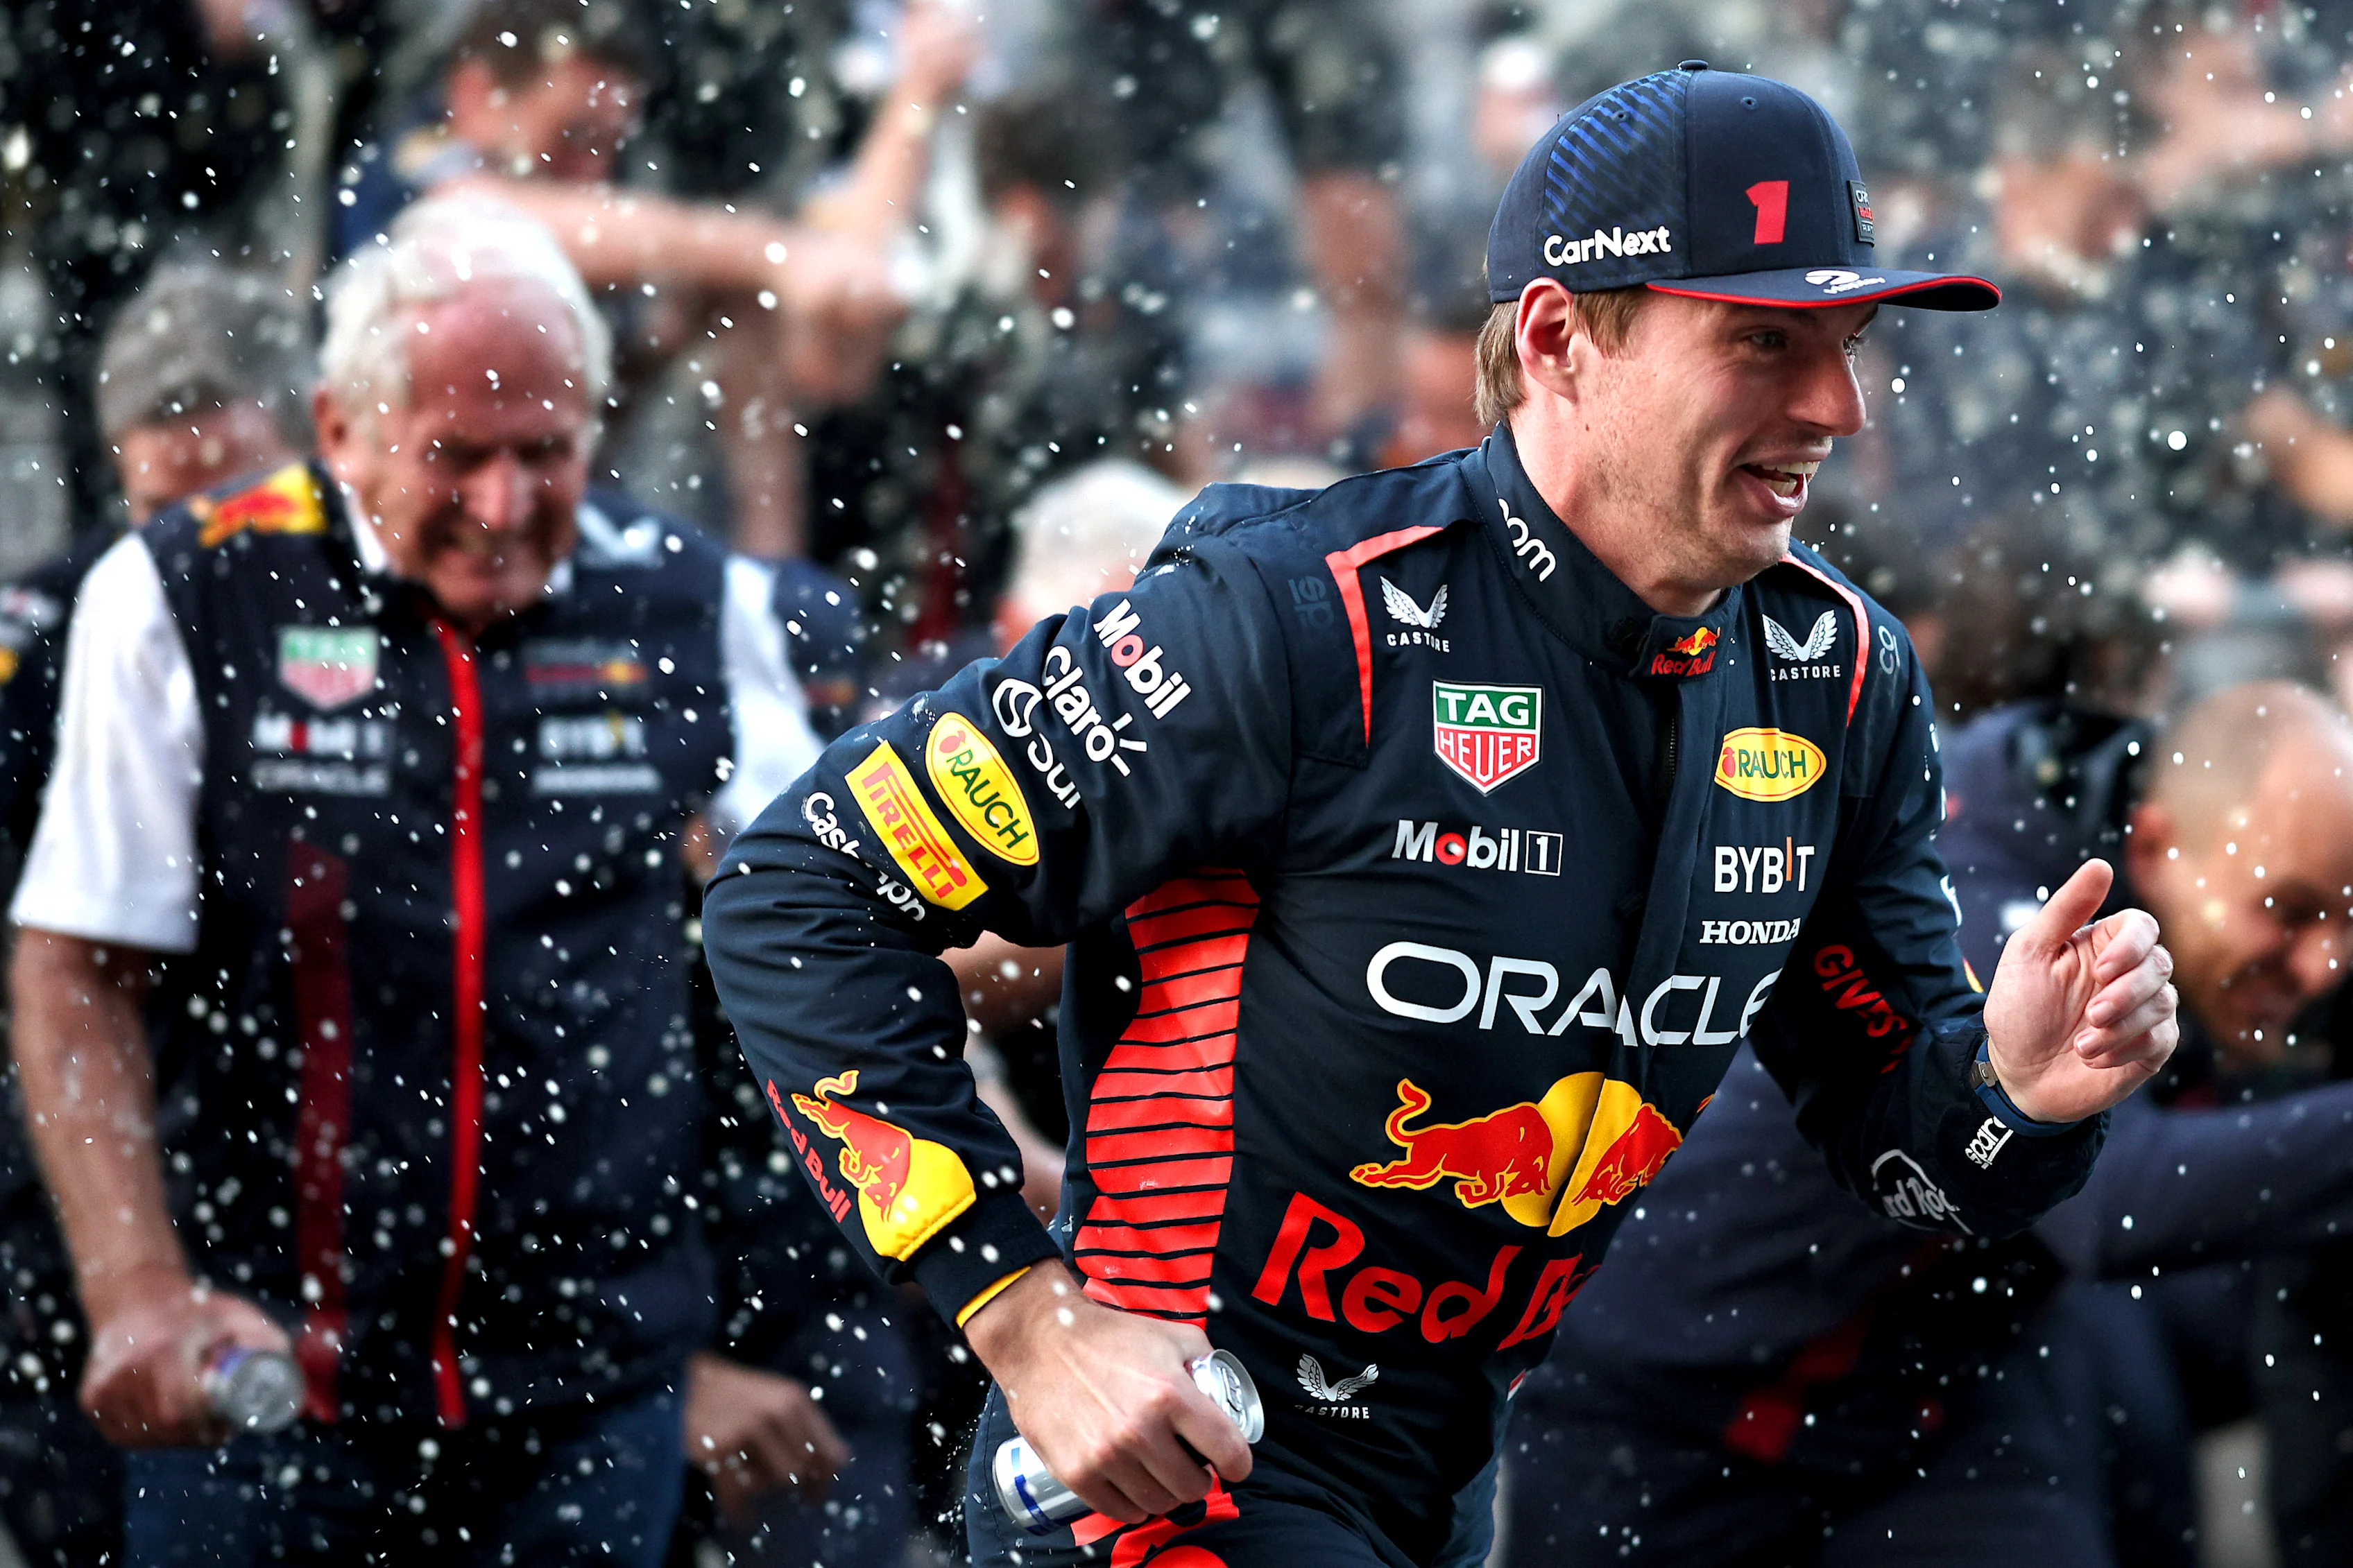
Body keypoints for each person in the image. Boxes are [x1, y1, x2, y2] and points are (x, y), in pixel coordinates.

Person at [702, 64, 2180, 1568]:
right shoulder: (1292, 618)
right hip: (1186, 1464)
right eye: (1762, 341)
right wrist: (1024, 1318)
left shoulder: (1836, 677)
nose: (1836, 404)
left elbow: (1909, 1155)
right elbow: (795, 887)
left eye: (1847, 341)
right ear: (1556, 340)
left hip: (1456, 1469)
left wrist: (2022, 1089)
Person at [6, 200, 826, 1564]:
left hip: (592, 1385)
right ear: (338, 428)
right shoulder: (185, 585)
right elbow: (74, 961)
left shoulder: (690, 596)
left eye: (546, 453)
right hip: (266, 1372)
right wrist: (136, 1286)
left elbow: (829, 921)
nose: (505, 508)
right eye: (456, 456)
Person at [1503, 680, 2353, 1567]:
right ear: (2153, 844)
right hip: (1664, 1407)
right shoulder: (1991, 889)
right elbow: (2109, 1202)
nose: (2321, 964)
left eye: (2344, 917)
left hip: (1938, 1398)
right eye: (2289, 912)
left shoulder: (2197, 872)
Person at [0, 259, 311, 1568]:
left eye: (224, 496)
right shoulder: (57, 621)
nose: (189, 548)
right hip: (83, 1131)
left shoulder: (381, 603)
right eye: (159, 503)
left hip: (306, 1143)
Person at [335, 0, 975, 559]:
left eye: (610, 143)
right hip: (394, 534)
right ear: (477, 96)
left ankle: (772, 582)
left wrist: (915, 102)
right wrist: (771, 253)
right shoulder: (414, 165)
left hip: (548, 532)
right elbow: (488, 221)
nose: (593, 170)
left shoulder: (621, 197)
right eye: (573, 136)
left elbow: (843, 299)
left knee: (742, 316)